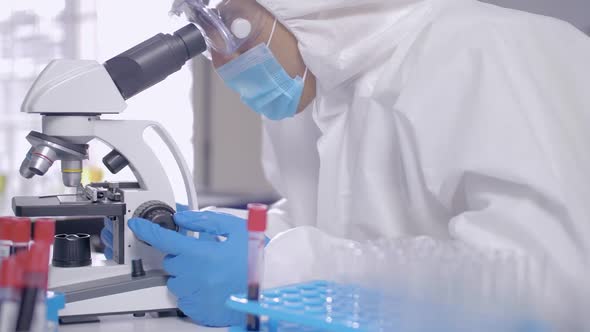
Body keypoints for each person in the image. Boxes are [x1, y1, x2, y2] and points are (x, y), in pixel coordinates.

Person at [102, 0, 590, 327]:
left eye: (228, 26)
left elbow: (545, 288)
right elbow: (325, 227)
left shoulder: (484, 50)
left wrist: (275, 275)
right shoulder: (324, 91)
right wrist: (189, 235)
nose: (221, 58)